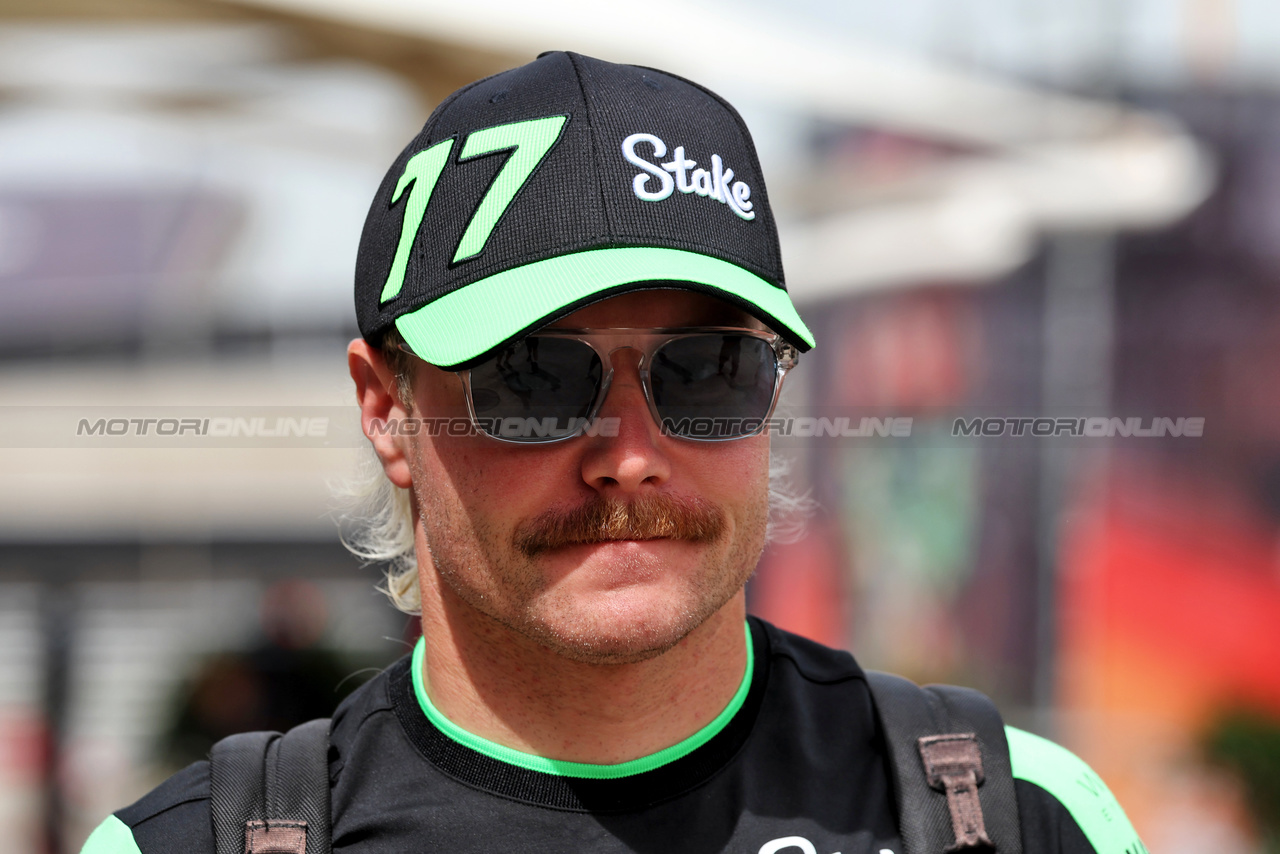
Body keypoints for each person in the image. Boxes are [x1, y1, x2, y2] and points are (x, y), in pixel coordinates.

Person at [82, 51, 1144, 854]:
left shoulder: (1013, 813)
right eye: (534, 378)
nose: (629, 455)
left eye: (706, 371)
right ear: (385, 407)